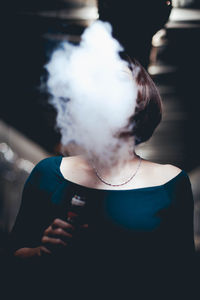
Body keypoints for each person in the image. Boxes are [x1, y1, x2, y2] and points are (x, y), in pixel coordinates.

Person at [7, 58, 195, 299]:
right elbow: (12, 261)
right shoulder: (49, 173)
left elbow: (184, 279)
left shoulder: (172, 183)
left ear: (142, 98)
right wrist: (41, 252)